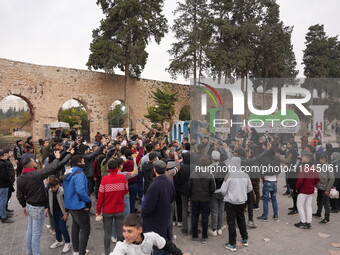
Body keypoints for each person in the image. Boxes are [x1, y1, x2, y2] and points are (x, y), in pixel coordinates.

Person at [17, 151, 60, 255]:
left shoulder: (20, 177)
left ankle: (29, 252)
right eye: (33, 160)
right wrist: (57, 158)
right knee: (36, 233)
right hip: (37, 207)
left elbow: (19, 195)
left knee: (30, 231)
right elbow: (50, 169)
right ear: (30, 164)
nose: (35, 161)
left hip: (29, 205)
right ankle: (36, 253)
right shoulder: (35, 175)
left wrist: (23, 205)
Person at [110, 214, 191, 255]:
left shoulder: (150, 237)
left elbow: (166, 244)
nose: (126, 235)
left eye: (130, 231)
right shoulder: (122, 246)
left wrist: (180, 254)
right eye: (124, 231)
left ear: (140, 230)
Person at [142, 160, 175, 255]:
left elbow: (149, 207)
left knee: (157, 246)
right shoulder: (169, 182)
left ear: (154, 170)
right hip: (165, 217)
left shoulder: (154, 185)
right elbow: (172, 197)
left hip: (155, 221)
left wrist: (143, 214)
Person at [96, 158, 129, 255]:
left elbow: (100, 197)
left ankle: (107, 252)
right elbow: (126, 191)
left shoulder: (104, 179)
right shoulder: (122, 178)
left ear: (108, 168)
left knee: (107, 233)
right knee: (120, 233)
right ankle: (120, 252)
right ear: (117, 167)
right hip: (119, 209)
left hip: (107, 210)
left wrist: (98, 211)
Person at [221, 157, 253, 252]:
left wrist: (228, 194)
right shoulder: (245, 175)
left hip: (230, 202)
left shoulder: (229, 175)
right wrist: (242, 193)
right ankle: (245, 238)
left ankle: (232, 243)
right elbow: (249, 188)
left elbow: (223, 190)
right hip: (242, 202)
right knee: (241, 220)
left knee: (231, 223)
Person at [63, 155, 92, 255]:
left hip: (70, 205)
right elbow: (80, 191)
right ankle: (81, 252)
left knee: (75, 227)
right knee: (85, 229)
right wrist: (88, 201)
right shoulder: (79, 174)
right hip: (79, 206)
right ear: (79, 163)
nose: (84, 162)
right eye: (83, 161)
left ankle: (76, 250)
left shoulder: (68, 172)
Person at [189, 156, 216, 244]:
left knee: (194, 216)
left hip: (195, 197)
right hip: (205, 198)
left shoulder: (193, 173)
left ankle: (195, 235)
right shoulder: (210, 174)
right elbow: (213, 188)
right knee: (205, 217)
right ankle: (204, 236)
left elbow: (189, 186)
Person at [295, 153, 320, 229]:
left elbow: (300, 180)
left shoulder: (304, 168)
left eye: (303, 157)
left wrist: (297, 188)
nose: (302, 158)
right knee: (308, 206)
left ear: (307, 158)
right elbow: (317, 179)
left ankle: (303, 221)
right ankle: (308, 222)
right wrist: (312, 183)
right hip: (311, 189)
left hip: (303, 190)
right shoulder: (313, 168)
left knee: (300, 205)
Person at [47, 177, 72, 253]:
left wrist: (66, 213)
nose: (53, 189)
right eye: (51, 187)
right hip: (54, 211)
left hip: (62, 211)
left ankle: (67, 242)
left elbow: (67, 202)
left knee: (62, 227)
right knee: (56, 227)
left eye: (54, 187)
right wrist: (47, 209)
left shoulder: (62, 191)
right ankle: (59, 240)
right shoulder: (49, 191)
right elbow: (49, 200)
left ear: (58, 185)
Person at [313, 153, 334, 224]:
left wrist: (328, 189)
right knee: (319, 200)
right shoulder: (319, 166)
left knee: (326, 203)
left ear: (326, 160)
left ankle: (327, 218)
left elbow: (331, 179)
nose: (321, 160)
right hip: (319, 187)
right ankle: (318, 213)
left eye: (323, 159)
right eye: (321, 159)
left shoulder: (328, 167)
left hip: (325, 188)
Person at [0, 149, 14, 223]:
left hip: (2, 185)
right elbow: (4, 176)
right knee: (3, 201)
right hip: (3, 185)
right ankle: (3, 216)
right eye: (4, 155)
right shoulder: (2, 164)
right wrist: (10, 181)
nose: (6, 156)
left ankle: (2, 214)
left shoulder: (3, 163)